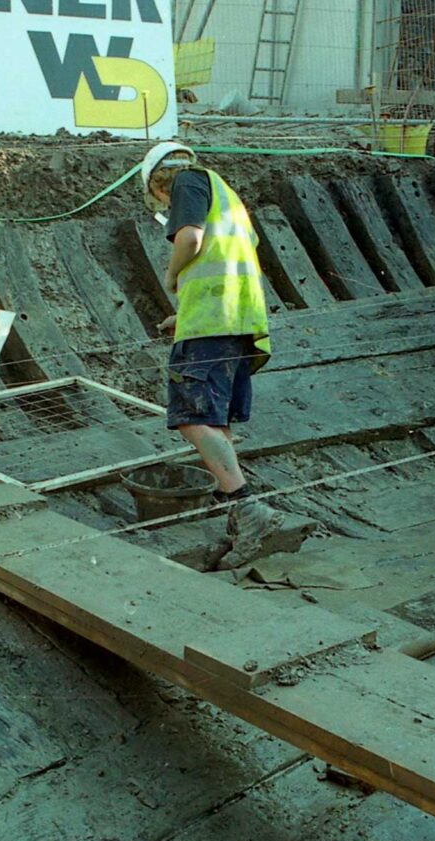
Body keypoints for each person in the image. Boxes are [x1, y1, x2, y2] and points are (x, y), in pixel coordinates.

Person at [141, 141, 281, 568]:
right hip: (238, 318)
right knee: (215, 417)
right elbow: (226, 258)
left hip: (214, 322)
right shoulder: (227, 196)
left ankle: (245, 506)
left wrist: (170, 276)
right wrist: (184, 313)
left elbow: (191, 239)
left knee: (192, 416)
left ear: (159, 184)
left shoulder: (187, 181)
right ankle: (233, 507)